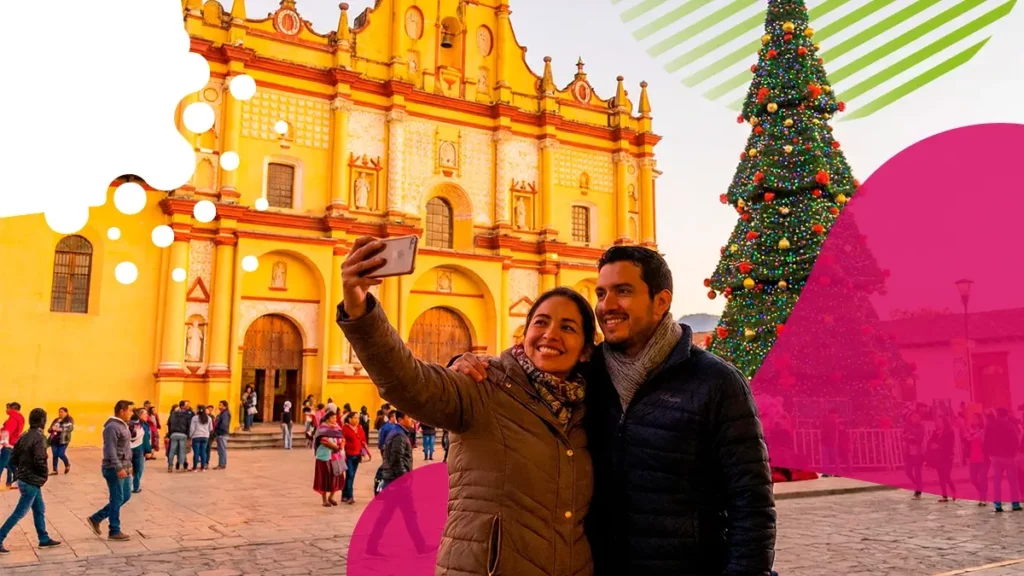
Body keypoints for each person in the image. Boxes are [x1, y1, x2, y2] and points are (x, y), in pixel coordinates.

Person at [452, 245, 777, 575]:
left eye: (623, 291)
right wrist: (468, 364)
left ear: (661, 302)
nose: (607, 306)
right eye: (601, 293)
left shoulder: (716, 381)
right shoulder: (586, 375)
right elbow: (522, 377)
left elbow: (751, 502)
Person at [338, 235, 598, 575]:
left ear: (586, 349)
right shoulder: (483, 386)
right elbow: (409, 382)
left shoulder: (588, 413)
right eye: (541, 322)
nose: (550, 334)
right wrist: (361, 309)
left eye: (568, 327)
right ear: (525, 332)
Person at [0, 408, 62, 554]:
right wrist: (43, 476)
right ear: (43, 421)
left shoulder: (25, 435)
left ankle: (43, 538)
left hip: (26, 479)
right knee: (20, 512)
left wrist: (19, 473)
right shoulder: (39, 437)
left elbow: (13, 458)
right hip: (31, 480)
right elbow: (40, 459)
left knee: (39, 508)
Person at [88, 400, 135, 541]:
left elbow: (125, 447)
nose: (132, 413)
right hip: (114, 468)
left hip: (124, 466)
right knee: (117, 497)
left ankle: (96, 518)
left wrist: (129, 464)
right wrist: (118, 466)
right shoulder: (112, 427)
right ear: (122, 411)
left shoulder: (123, 425)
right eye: (130, 410)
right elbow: (110, 449)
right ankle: (114, 529)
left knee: (125, 495)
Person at [985, 407, 1021, 513]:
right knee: (1012, 482)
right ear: (1006, 415)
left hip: (995, 457)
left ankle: (998, 506)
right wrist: (1014, 453)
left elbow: (987, 441)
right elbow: (1016, 441)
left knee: (997, 482)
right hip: (1009, 458)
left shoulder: (990, 426)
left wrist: (988, 454)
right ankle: (1015, 504)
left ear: (997, 415)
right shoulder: (1010, 426)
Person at [312, 411, 344, 507]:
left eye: (335, 418)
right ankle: (324, 499)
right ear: (327, 419)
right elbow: (323, 440)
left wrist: (341, 445)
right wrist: (334, 446)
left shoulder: (337, 428)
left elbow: (342, 438)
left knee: (336, 476)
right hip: (324, 456)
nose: (334, 420)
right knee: (324, 477)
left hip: (335, 456)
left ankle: (332, 496)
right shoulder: (322, 428)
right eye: (332, 418)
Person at [926, 416, 957, 502]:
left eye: (940, 421)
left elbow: (950, 445)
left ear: (944, 422)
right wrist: (932, 445)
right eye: (938, 421)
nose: (938, 423)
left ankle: (954, 490)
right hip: (938, 457)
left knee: (946, 476)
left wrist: (939, 446)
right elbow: (930, 441)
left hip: (947, 457)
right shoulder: (936, 432)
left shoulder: (950, 432)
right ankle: (944, 495)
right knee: (941, 477)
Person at [342, 411, 367, 504]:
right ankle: (350, 496)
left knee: (351, 476)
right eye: (355, 418)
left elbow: (363, 441)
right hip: (348, 455)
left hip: (357, 455)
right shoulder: (344, 428)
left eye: (358, 418)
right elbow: (341, 440)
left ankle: (344, 494)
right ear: (349, 419)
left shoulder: (360, 428)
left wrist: (364, 452)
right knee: (350, 475)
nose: (357, 420)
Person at [0, 403, 25, 490]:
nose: (6, 410)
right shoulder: (18, 418)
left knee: (2, 463)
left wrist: (2, 442)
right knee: (9, 463)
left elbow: (8, 431)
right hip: (12, 444)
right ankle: (13, 480)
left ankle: (17, 479)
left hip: (8, 444)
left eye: (8, 408)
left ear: (12, 409)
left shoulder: (13, 419)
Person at [128, 409, 150, 493]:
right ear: (139, 415)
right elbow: (146, 438)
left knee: (128, 468)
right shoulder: (142, 425)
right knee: (138, 469)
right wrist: (148, 450)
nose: (146, 415)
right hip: (139, 448)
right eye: (145, 414)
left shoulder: (127, 424)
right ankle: (135, 487)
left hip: (128, 449)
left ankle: (128, 486)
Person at [47, 407, 74, 475]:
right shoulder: (56, 420)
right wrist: (51, 429)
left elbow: (70, 428)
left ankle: (67, 464)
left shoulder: (69, 420)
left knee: (61, 454)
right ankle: (55, 470)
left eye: (62, 412)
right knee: (55, 454)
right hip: (54, 439)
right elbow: (50, 429)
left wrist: (60, 429)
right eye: (59, 412)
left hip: (63, 440)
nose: (60, 413)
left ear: (66, 412)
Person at [166, 401, 191, 472]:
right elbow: (188, 425)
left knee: (172, 450)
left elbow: (169, 424)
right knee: (182, 451)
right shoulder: (187, 415)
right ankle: (183, 465)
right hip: (183, 434)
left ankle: (170, 466)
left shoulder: (173, 414)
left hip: (174, 434)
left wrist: (169, 434)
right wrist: (188, 435)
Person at [189, 404, 214, 472]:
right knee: (203, 452)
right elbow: (211, 428)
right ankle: (203, 467)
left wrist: (190, 436)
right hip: (205, 437)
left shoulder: (195, 418)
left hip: (196, 436)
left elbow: (192, 429)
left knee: (196, 452)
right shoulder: (209, 418)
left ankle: (195, 467)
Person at [214, 400, 231, 469]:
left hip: (222, 434)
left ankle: (222, 464)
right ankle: (221, 463)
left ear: (225, 406)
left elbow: (224, 424)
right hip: (221, 433)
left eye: (220, 405)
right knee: (220, 450)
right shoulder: (222, 413)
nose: (219, 406)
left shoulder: (225, 414)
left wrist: (218, 430)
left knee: (222, 450)